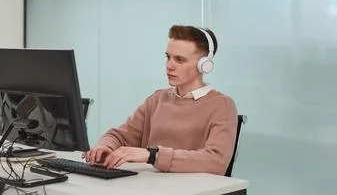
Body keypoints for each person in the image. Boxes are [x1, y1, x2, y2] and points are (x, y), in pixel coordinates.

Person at [83, 25, 238, 175]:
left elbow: (215, 161)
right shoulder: (157, 100)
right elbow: (120, 136)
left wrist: (152, 156)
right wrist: (105, 147)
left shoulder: (222, 106)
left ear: (204, 65)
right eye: (168, 57)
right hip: (150, 187)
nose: (169, 66)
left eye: (179, 60)